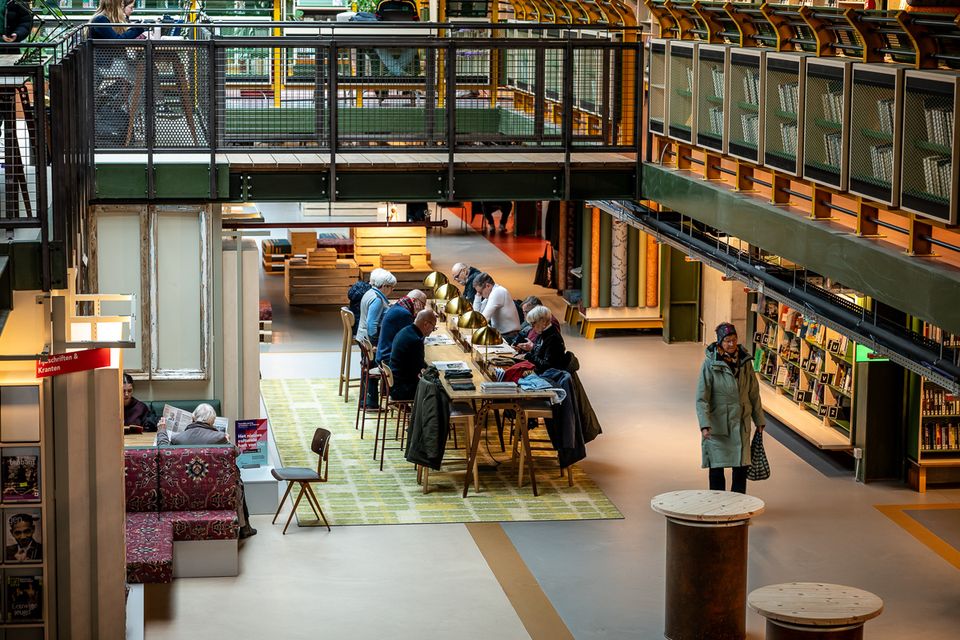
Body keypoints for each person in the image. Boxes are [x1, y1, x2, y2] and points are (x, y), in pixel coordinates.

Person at [157, 404, 257, 538]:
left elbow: (162, 450)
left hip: (183, 488)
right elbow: (236, 452)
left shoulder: (177, 439)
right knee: (237, 479)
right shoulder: (219, 438)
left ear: (193, 417)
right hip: (216, 490)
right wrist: (227, 440)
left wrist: (162, 430)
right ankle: (245, 527)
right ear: (213, 421)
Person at [696, 323, 765, 495]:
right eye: (727, 341)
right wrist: (704, 425)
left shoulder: (746, 362)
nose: (732, 344)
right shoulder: (710, 365)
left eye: (734, 340)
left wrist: (759, 420)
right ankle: (718, 504)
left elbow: (753, 392)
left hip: (741, 422)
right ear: (720, 342)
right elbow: (702, 398)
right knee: (717, 468)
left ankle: (738, 505)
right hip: (718, 425)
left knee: (740, 467)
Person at [357, 268, 396, 408]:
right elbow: (372, 325)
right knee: (373, 368)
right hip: (369, 340)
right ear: (384, 286)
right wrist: (376, 342)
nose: (392, 290)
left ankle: (365, 401)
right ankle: (370, 403)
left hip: (362, 338)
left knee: (367, 368)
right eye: (391, 287)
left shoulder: (370, 293)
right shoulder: (377, 300)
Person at [388, 309, 437, 401]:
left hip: (395, 384)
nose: (432, 331)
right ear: (426, 324)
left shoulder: (405, 330)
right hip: (402, 390)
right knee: (438, 391)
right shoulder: (415, 341)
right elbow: (420, 370)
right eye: (433, 327)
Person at [376, 289, 427, 366]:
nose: (423, 309)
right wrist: (424, 327)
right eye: (423, 305)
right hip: (388, 359)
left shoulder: (399, 306)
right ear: (414, 301)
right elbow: (415, 342)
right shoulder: (404, 314)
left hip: (385, 355)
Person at [472, 272, 521, 341]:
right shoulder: (491, 293)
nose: (481, 295)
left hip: (510, 336)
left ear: (488, 286)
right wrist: (477, 296)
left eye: (480, 292)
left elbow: (483, 319)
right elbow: (476, 315)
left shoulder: (497, 292)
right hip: (503, 334)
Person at [522, 306, 570, 374]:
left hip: (548, 376)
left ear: (543, 322)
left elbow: (547, 366)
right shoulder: (543, 332)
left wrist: (529, 356)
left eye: (533, 324)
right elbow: (541, 352)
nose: (532, 327)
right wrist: (532, 348)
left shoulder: (553, 339)